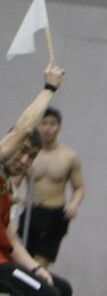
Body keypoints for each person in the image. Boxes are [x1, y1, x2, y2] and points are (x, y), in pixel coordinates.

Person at [0, 62, 73, 296]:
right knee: (46, 295)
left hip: (3, 262)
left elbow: (12, 240)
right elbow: (22, 130)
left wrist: (36, 268)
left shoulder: (8, 189)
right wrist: (49, 88)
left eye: (31, 156)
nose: (24, 159)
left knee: (59, 288)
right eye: (21, 151)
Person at [16, 107, 84, 268]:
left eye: (52, 124)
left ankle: (37, 283)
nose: (47, 128)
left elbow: (79, 188)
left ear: (59, 127)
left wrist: (74, 204)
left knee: (39, 266)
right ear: (37, 126)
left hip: (56, 215)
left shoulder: (69, 156)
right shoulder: (28, 155)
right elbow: (13, 183)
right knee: (22, 262)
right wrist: (21, 197)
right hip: (33, 211)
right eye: (44, 123)